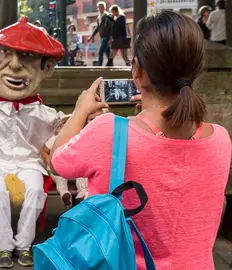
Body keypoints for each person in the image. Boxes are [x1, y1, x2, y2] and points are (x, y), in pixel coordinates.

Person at [51, 11, 231, 270]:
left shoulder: (108, 131)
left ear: (138, 70)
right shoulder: (221, 139)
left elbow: (58, 163)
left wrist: (80, 110)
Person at [0, 17, 65, 268]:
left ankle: (24, 245)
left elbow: (67, 126)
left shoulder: (45, 114)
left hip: (29, 162)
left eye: (28, 56)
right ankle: (5, 246)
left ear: (46, 69)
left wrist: (86, 113)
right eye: (5, 53)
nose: (15, 65)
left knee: (36, 190)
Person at [87, 1, 112, 66]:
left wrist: (111, 38)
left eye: (102, 7)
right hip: (102, 37)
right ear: (98, 8)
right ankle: (111, 65)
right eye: (99, 7)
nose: (100, 9)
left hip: (106, 37)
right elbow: (97, 28)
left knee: (100, 52)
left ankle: (99, 66)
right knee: (108, 53)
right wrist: (91, 36)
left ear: (105, 8)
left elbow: (111, 27)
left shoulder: (108, 16)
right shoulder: (98, 17)